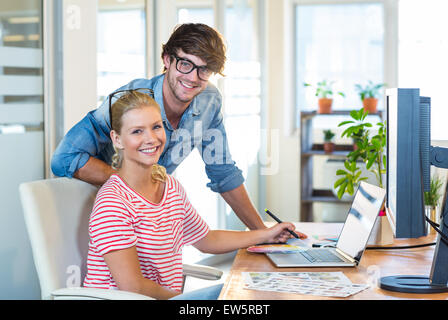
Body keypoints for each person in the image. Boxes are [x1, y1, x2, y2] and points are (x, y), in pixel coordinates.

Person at [51, 23, 304, 236]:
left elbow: (223, 173)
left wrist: (263, 234)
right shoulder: (130, 100)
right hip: (109, 210)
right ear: (167, 60)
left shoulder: (208, 101)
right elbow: (64, 158)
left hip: (153, 211)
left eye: (204, 69)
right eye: (185, 64)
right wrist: (136, 183)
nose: (193, 78)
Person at [83, 89, 297, 299]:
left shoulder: (170, 187)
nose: (151, 139)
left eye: (156, 127)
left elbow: (207, 239)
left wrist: (267, 234)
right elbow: (133, 287)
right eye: (137, 131)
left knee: (253, 292)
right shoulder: (112, 203)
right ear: (117, 139)